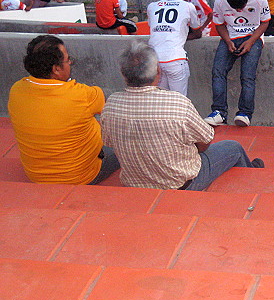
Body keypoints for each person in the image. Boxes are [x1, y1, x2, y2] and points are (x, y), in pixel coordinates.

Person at [101, 40, 264, 191]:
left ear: (123, 74)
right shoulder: (177, 102)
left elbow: (109, 142)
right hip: (181, 183)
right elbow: (206, 140)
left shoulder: (111, 104)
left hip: (134, 183)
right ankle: (252, 176)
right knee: (233, 147)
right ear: (158, 71)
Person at [8, 35, 119, 185]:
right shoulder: (81, 95)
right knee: (125, 141)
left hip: (36, 175)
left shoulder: (16, 90)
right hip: (81, 175)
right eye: (68, 60)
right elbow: (115, 104)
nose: (71, 62)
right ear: (56, 69)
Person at [204, 0, 270, 128]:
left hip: (253, 36)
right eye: (235, 8)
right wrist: (228, 42)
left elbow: (265, 23)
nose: (239, 10)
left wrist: (251, 42)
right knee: (218, 71)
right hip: (230, 36)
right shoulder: (220, 0)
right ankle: (219, 112)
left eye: (242, 7)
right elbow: (219, 24)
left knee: (247, 75)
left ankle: (245, 113)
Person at [147, 0, 203, 96]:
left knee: (161, 100)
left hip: (154, 60)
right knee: (179, 101)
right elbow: (198, 33)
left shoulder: (152, 6)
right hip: (175, 59)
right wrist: (181, 36)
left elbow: (154, 28)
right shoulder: (188, 6)